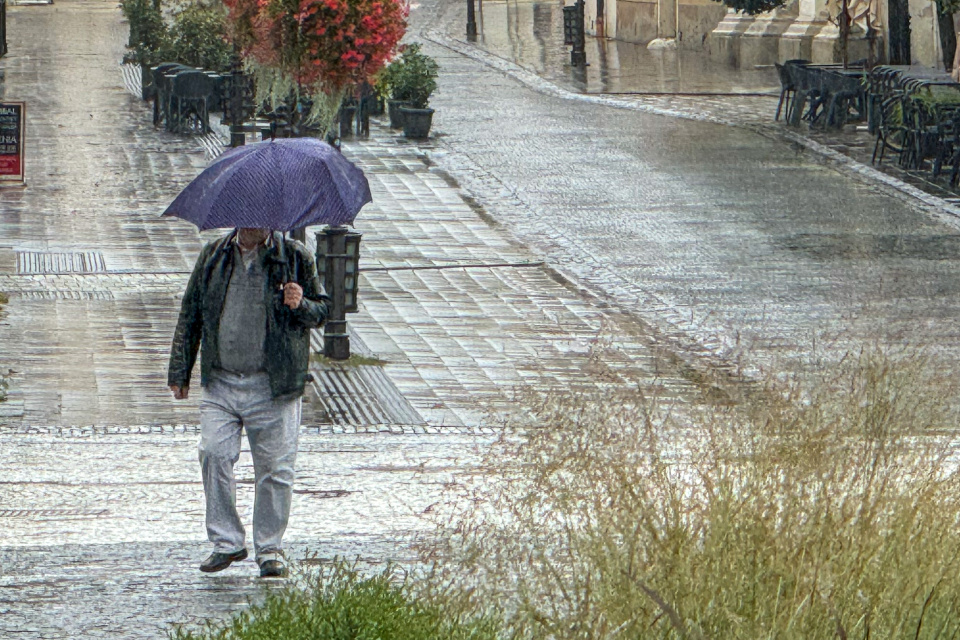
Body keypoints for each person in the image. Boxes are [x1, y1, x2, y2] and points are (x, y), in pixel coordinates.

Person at [168, 227, 330, 578]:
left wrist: (299, 302)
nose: (253, 223)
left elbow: (323, 310)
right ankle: (227, 542)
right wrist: (180, 370)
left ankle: (270, 549)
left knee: (275, 469)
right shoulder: (214, 256)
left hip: (274, 383)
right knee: (213, 452)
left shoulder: (294, 256)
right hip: (221, 379)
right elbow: (191, 312)